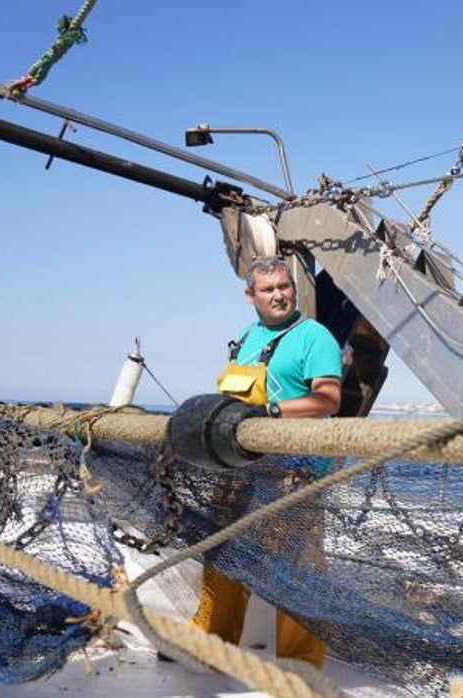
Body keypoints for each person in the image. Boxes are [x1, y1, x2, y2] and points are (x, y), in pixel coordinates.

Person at [192, 255, 343, 667]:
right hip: (238, 469)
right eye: (268, 289)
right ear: (250, 296)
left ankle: (300, 662)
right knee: (224, 553)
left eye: (284, 286)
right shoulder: (247, 337)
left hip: (295, 472)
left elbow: (329, 399)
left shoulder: (314, 337)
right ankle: (211, 645)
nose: (279, 295)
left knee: (297, 565)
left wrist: (270, 413)